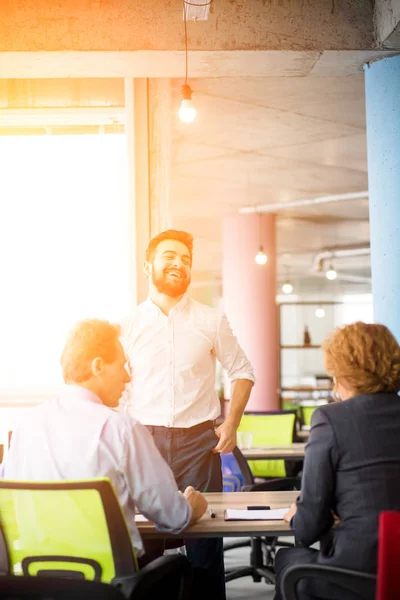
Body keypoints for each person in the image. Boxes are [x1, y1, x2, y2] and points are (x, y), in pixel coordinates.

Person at [2, 319, 208, 564]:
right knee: (179, 565)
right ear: (98, 366)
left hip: (33, 579)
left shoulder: (27, 426)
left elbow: (8, 505)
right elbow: (172, 517)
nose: (127, 378)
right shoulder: (121, 429)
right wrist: (192, 508)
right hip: (108, 585)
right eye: (122, 366)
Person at [121, 229, 255, 599]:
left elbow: (243, 372)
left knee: (204, 546)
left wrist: (231, 423)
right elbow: (119, 387)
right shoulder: (128, 325)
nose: (179, 264)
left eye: (185, 259)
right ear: (148, 265)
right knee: (145, 543)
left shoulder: (210, 320)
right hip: (143, 441)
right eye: (169, 256)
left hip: (198, 442)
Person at [274, 321, 400, 600]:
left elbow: (308, 529)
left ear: (343, 373)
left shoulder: (331, 418)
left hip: (360, 573)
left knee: (287, 558)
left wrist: (300, 514)